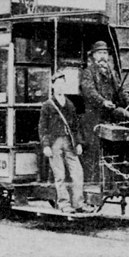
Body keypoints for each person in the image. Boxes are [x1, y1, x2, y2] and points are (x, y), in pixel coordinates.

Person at [80, 40, 129, 182]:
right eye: (99, 53)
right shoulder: (88, 73)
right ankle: (93, 180)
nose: (103, 56)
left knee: (128, 117)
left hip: (110, 113)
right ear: (94, 56)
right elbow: (89, 91)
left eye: (105, 53)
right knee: (93, 148)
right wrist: (103, 101)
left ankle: (120, 175)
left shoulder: (112, 73)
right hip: (93, 115)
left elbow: (121, 91)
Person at [39, 71, 92, 214]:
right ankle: (64, 204)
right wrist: (46, 146)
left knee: (78, 172)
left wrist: (79, 143)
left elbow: (75, 126)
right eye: (58, 84)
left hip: (70, 142)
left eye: (63, 84)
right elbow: (43, 128)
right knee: (60, 175)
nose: (60, 87)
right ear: (52, 86)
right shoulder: (47, 105)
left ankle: (78, 203)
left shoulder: (69, 104)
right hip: (54, 143)